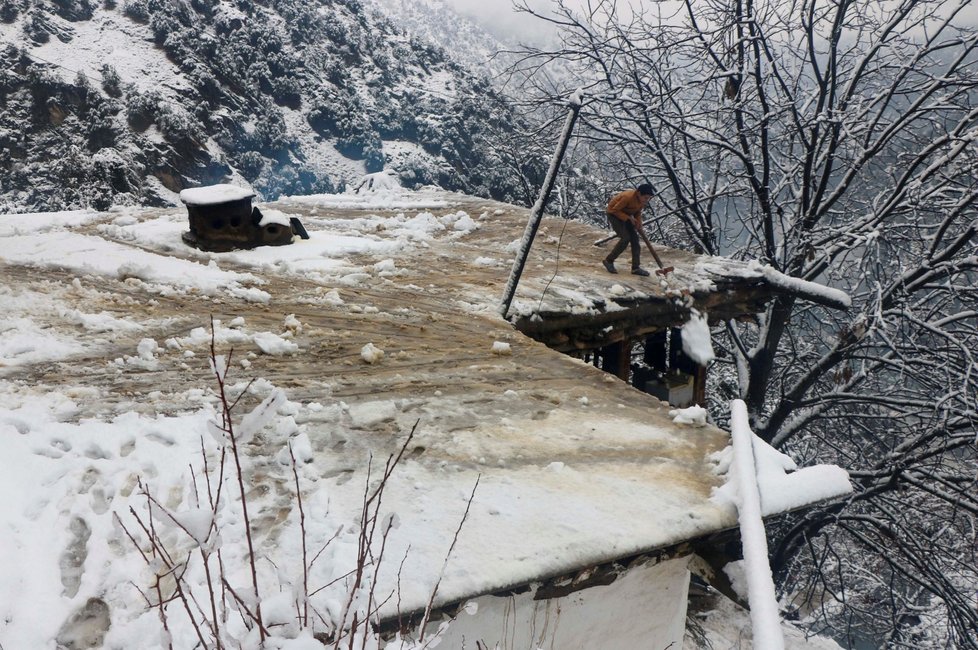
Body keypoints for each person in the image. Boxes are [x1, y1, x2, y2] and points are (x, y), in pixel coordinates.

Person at [602, 183, 655, 276]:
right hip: (614, 215)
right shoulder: (627, 197)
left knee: (635, 241)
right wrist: (629, 218)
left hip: (627, 216)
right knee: (625, 238)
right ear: (639, 193)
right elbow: (614, 210)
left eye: (648, 198)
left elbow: (637, 212)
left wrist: (638, 222)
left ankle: (635, 267)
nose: (647, 200)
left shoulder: (641, 201)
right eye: (646, 197)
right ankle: (609, 260)